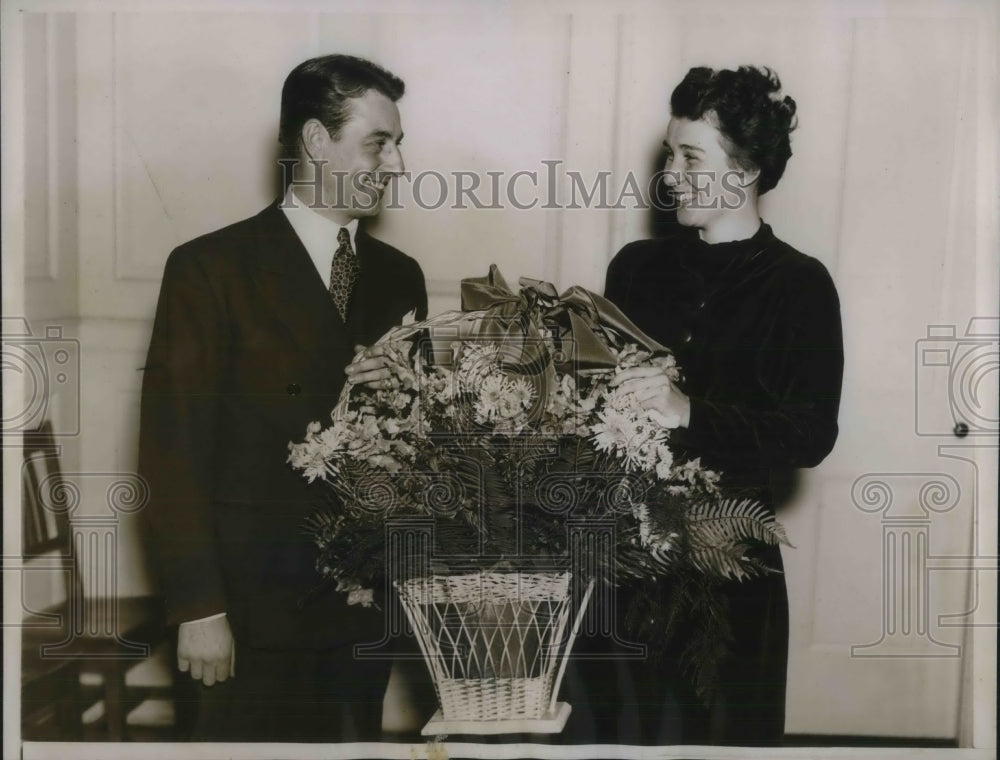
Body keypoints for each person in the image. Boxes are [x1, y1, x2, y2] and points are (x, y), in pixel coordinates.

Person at [138, 54, 427, 742]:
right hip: (244, 612)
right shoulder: (209, 269)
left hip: (358, 611)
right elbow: (170, 453)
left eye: (398, 145)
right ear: (316, 142)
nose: (395, 165)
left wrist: (403, 405)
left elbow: (419, 446)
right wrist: (198, 610)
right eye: (377, 143)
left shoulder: (398, 277)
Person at [580, 65, 844, 745]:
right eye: (670, 153)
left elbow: (809, 433)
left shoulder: (800, 284)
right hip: (625, 564)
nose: (670, 175)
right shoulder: (634, 269)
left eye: (690, 155)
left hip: (734, 575)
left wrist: (689, 412)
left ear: (747, 170)